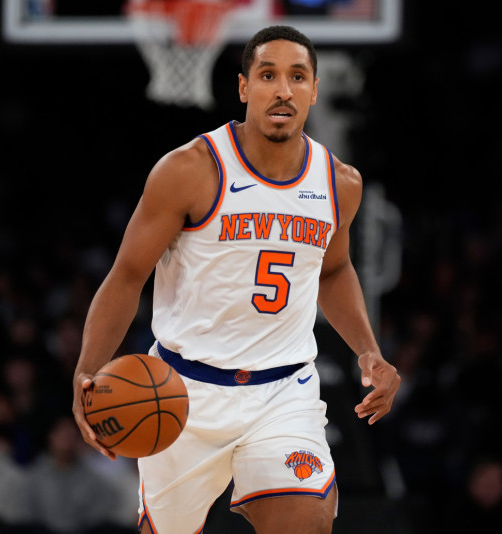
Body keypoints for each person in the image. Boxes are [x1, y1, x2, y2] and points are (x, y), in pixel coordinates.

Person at [71, 25, 400, 534]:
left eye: (297, 76)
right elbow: (127, 275)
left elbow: (334, 270)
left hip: (283, 393)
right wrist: (87, 370)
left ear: (314, 90)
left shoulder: (340, 183)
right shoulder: (189, 170)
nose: (283, 89)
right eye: (268, 75)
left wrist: (368, 351)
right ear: (244, 87)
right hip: (180, 393)